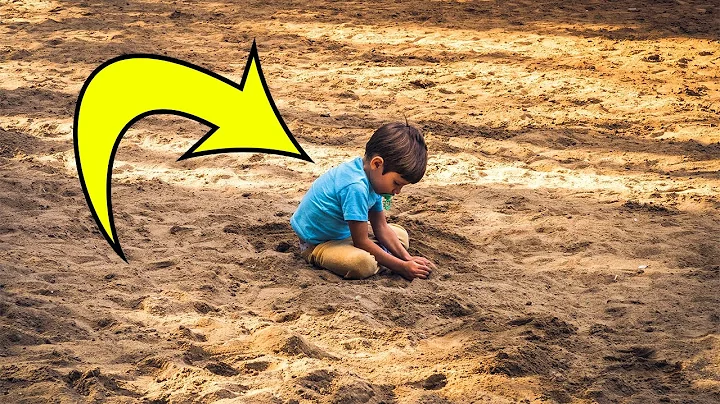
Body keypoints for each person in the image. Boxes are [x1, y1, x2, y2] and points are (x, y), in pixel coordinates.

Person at [290, 122, 436, 280]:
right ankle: (374, 258)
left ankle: (380, 257)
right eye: (397, 183)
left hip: (345, 235)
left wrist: (407, 258)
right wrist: (402, 267)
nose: (397, 191)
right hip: (318, 243)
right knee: (362, 263)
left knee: (401, 236)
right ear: (377, 164)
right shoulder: (355, 186)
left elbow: (380, 226)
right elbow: (362, 241)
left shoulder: (373, 179)